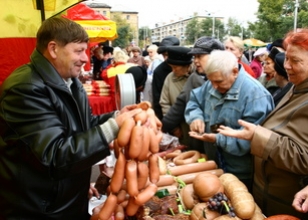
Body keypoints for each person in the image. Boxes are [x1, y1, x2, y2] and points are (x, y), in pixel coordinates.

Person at [0, 17, 142, 219]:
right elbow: (54, 155)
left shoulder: (71, 82)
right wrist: (112, 127)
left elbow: (84, 128)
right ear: (53, 49)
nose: (86, 58)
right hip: (39, 211)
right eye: (79, 50)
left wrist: (118, 117)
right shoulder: (25, 88)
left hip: (64, 202)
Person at [217, 29, 308, 218]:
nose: (286, 65)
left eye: (295, 60)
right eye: (287, 58)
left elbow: (307, 159)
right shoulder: (303, 85)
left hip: (287, 206)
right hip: (275, 199)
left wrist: (257, 136)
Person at [185, 50, 274, 190]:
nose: (213, 86)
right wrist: (196, 117)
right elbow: (194, 100)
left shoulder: (256, 96)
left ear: (234, 72)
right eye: (210, 80)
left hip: (240, 172)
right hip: (213, 162)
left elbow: (252, 140)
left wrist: (218, 139)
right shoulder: (213, 82)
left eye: (218, 81)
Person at [161, 36, 225, 153]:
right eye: (194, 57)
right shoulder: (195, 78)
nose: (195, 61)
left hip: (227, 148)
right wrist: (164, 127)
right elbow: (183, 103)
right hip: (203, 143)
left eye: (199, 56)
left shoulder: (231, 79)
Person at [159, 46, 193, 146]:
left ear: (187, 66)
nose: (173, 70)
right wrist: (173, 127)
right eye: (171, 67)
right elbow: (164, 103)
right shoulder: (170, 78)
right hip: (180, 128)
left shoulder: (197, 77)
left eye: (175, 68)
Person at [152, 36, 180, 119]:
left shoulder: (186, 67)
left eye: (168, 55)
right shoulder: (159, 71)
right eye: (164, 55)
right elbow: (157, 98)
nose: (166, 58)